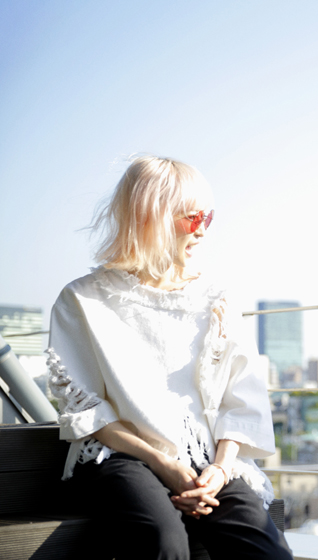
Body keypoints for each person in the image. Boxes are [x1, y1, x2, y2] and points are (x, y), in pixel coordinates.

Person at [46, 155, 293, 560]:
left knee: (266, 549)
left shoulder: (217, 299)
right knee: (163, 540)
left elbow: (241, 399)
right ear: (149, 217)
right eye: (191, 218)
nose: (202, 230)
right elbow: (89, 414)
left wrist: (220, 469)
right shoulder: (83, 300)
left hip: (208, 462)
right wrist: (163, 464)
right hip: (121, 458)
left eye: (207, 217)